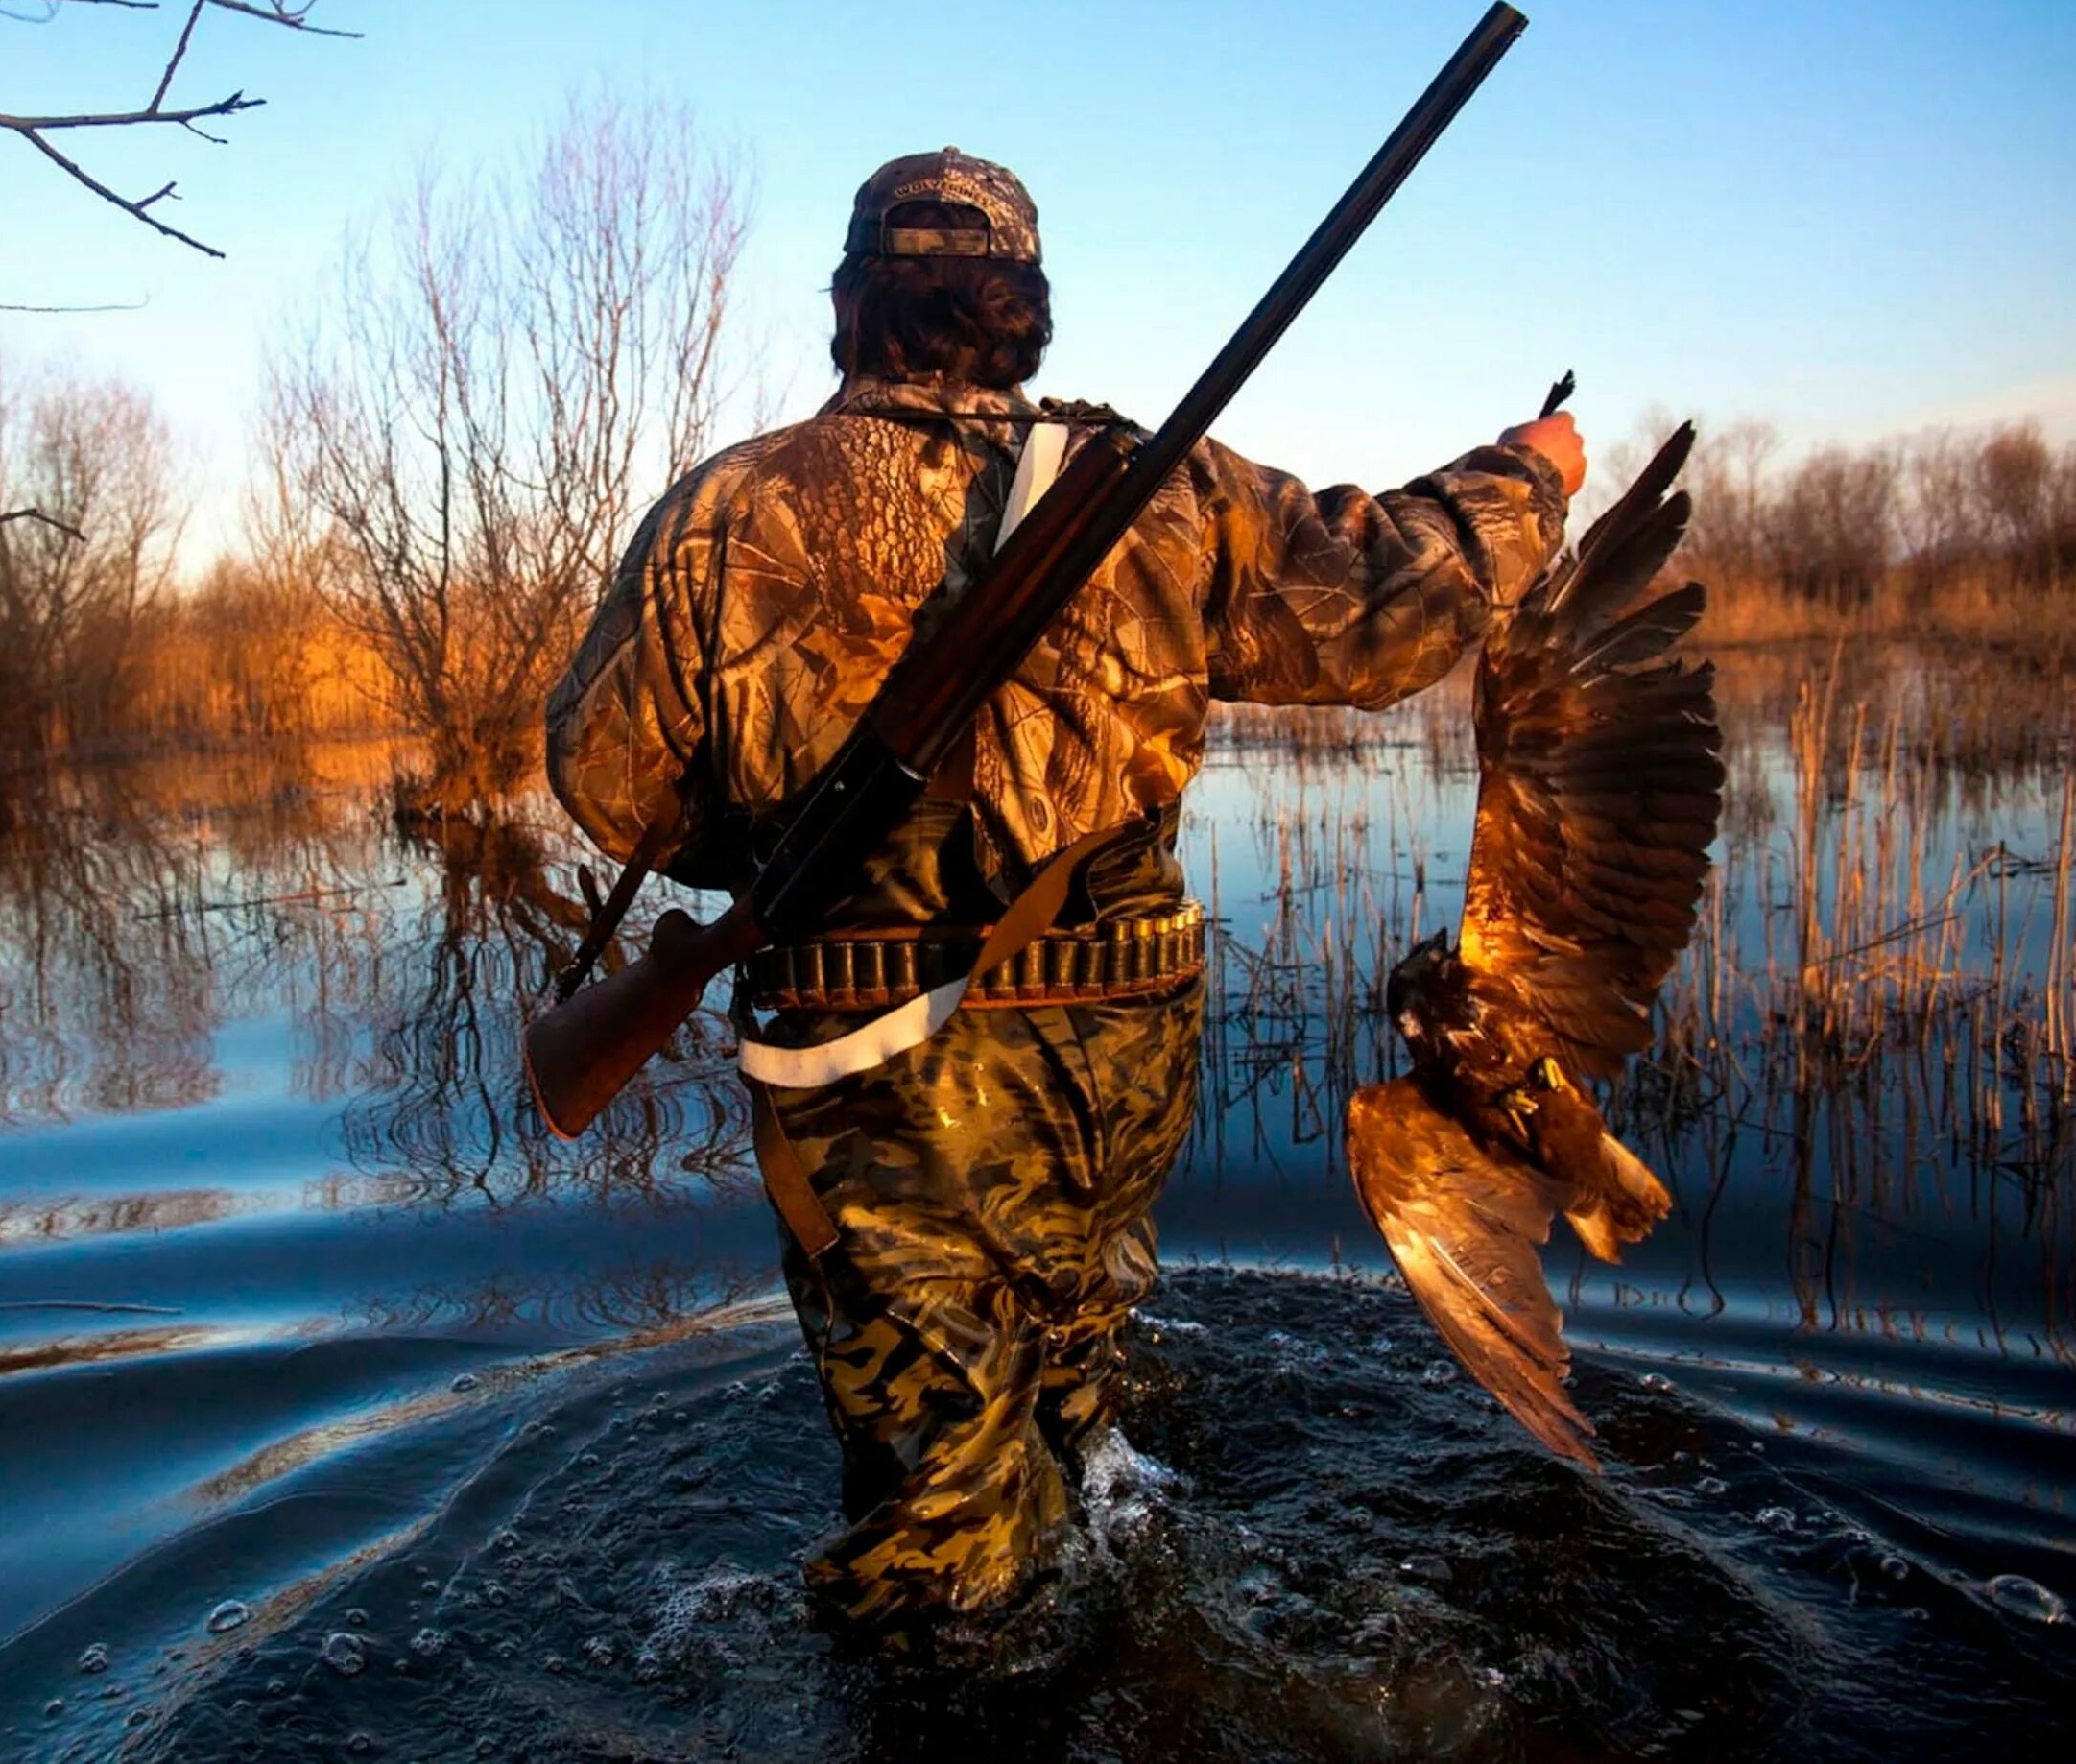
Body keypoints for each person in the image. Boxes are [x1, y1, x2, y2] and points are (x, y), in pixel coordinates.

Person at [543, 149, 1584, 1642]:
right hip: (1122, 1053)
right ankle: (1142, 1654)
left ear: (850, 309)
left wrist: (784, 843)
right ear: (1026, 317)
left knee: (940, 1540)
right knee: (1079, 1429)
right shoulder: (1166, 494)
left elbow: (613, 785)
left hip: (876, 1060)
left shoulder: (729, 514)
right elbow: (1385, 610)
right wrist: (1527, 473)